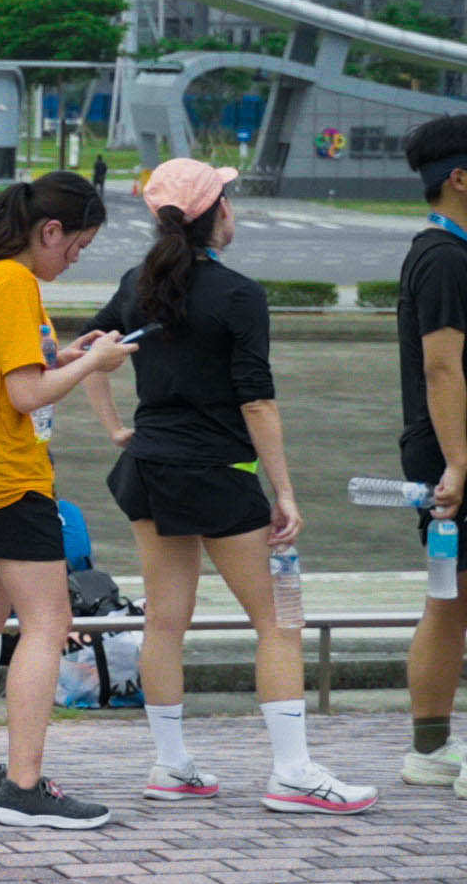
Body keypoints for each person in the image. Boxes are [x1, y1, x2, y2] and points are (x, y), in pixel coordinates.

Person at [91, 158, 368, 814]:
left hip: (149, 469)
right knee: (278, 622)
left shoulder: (137, 283)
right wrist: (285, 492)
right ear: (216, 212)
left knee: (165, 622)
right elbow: (257, 402)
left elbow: (89, 351)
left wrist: (116, 427)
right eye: (228, 200)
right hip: (216, 476)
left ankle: (171, 766)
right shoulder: (239, 294)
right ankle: (293, 773)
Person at [0, 171, 129, 830]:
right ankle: (25, 785)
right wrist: (94, 365)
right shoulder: (16, 284)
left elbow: (7, 367)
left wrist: (65, 354)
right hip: (6, 477)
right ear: (50, 231)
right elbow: (26, 394)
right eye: (78, 246)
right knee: (47, 622)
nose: (76, 259)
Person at [395, 116, 467, 788]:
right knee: (449, 601)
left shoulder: (440, 252)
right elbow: (442, 367)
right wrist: (459, 463)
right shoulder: (445, 258)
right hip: (454, 451)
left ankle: (429, 749)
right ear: (459, 179)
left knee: (449, 601)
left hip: (442, 448)